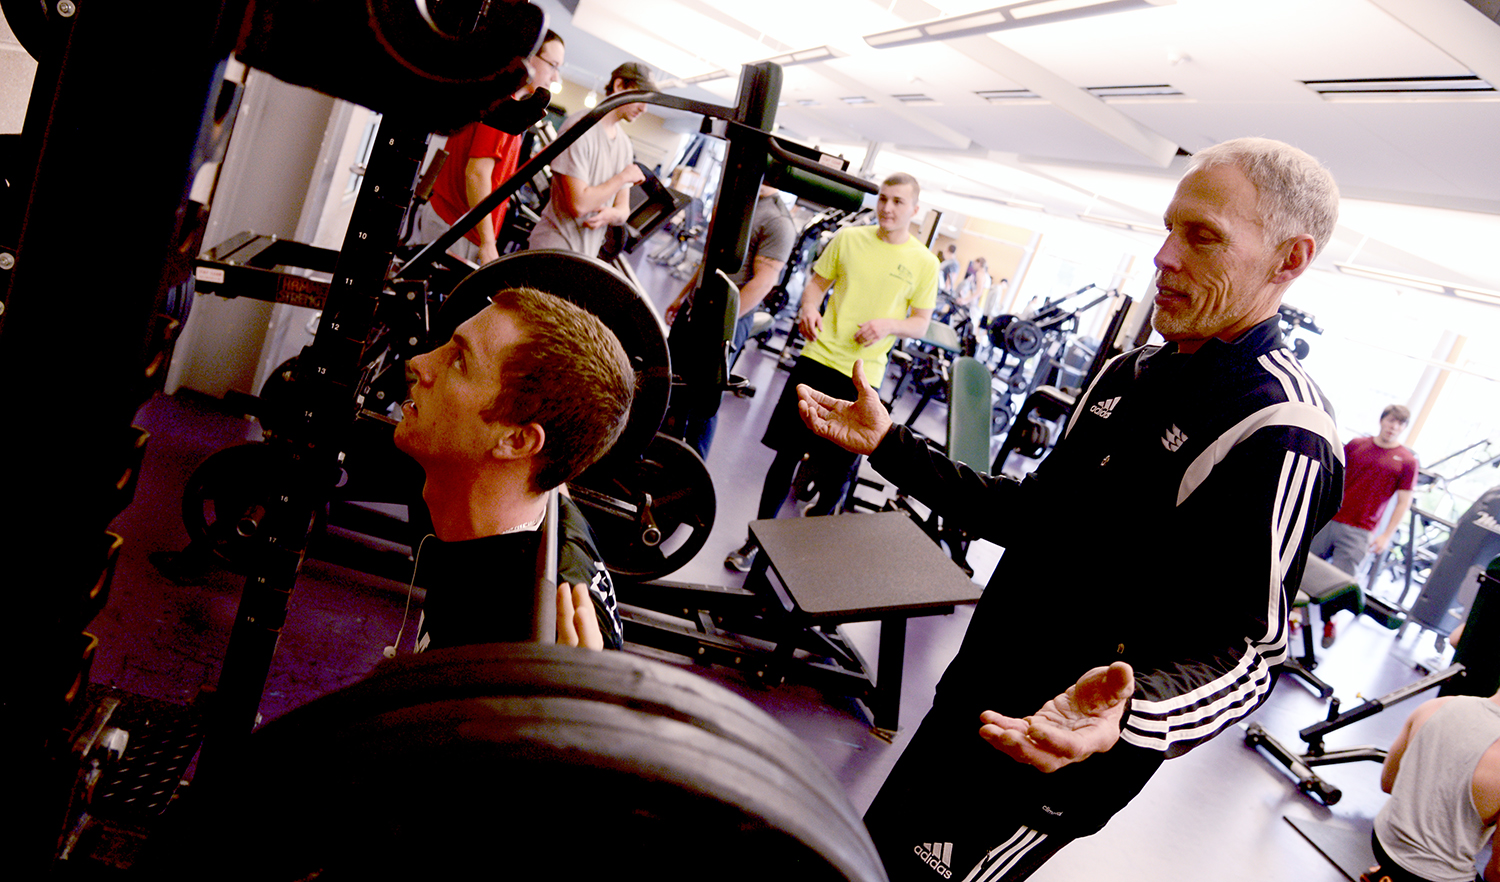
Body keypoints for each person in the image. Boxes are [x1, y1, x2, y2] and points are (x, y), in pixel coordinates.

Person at [797, 137, 1344, 880]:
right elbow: (1034, 518)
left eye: (1203, 236)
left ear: (1290, 259)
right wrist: (892, 446)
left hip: (1047, 756)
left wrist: (1130, 713)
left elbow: (1249, 653)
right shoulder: (1132, 371)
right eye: (1170, 228)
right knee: (864, 861)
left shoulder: (1281, 430)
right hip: (972, 696)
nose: (1164, 257)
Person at [394, 286, 636, 651]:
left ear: (517, 442)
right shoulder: (540, 492)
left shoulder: (514, 643)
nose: (420, 363)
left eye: (460, 360)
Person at [724, 173, 938, 572]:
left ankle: (804, 563)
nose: (887, 208)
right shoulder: (849, 239)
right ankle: (755, 543)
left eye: (897, 202)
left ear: (915, 210)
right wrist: (808, 308)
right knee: (784, 456)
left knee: (837, 474)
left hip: (862, 375)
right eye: (883, 199)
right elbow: (816, 286)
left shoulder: (925, 263)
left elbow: (921, 323)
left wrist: (889, 325)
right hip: (818, 359)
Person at [410, 30, 566, 265]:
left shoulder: (507, 102)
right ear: (530, 55)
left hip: (454, 222)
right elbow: (476, 174)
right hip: (456, 227)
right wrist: (488, 242)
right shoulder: (504, 106)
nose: (555, 77)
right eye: (552, 65)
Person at [663, 184, 796, 458]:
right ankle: (657, 455)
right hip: (695, 310)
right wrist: (683, 296)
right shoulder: (736, 203)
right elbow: (711, 258)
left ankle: (691, 475)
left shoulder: (778, 221)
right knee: (669, 386)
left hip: (725, 323)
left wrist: (722, 325)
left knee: (703, 405)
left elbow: (762, 282)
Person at [1306, 404, 1418, 644]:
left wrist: (1386, 535)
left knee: (1337, 586)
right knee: (1301, 571)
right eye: (1391, 421)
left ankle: (1329, 623)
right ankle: (1293, 620)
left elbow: (1403, 502)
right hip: (1329, 518)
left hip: (1360, 530)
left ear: (1403, 428)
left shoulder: (1407, 461)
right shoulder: (1357, 445)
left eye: (1399, 423)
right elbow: (1332, 473)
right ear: (1382, 421)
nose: (1393, 427)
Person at [1364, 687, 1500, 882]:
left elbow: (1388, 784)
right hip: (1435, 877)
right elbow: (1497, 871)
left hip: (1383, 843)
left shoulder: (1437, 705)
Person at [526, 62, 655, 258]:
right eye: (641, 97)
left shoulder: (624, 145)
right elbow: (580, 205)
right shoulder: (579, 127)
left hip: (586, 254)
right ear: (620, 86)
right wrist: (622, 178)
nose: (644, 108)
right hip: (553, 247)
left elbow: (623, 210)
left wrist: (611, 215)